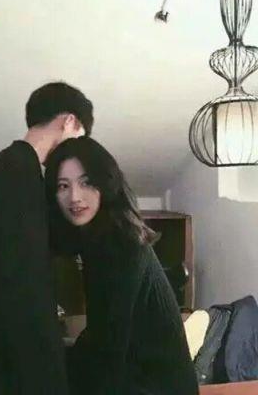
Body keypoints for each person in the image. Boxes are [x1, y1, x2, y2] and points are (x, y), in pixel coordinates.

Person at [0, 82, 94, 395]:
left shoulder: (10, 167)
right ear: (69, 122)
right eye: (78, 137)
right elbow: (22, 279)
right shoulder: (18, 173)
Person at [45, 137, 199, 395]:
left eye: (86, 182)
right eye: (63, 186)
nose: (74, 197)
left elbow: (107, 351)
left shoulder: (119, 245)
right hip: (136, 374)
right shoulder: (101, 233)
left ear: (105, 183)